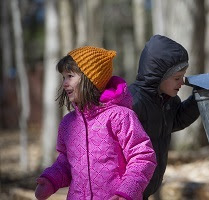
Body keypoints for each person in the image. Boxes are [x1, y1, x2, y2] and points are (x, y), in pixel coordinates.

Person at [35, 46, 156, 200]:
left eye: (70, 76)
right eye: (63, 77)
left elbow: (143, 157)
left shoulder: (120, 116)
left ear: (90, 79)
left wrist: (127, 191)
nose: (65, 83)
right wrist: (51, 180)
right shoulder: (68, 123)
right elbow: (66, 162)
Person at [128, 35, 200, 199]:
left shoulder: (168, 101)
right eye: (177, 78)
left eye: (183, 76)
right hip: (125, 189)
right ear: (158, 76)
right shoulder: (133, 102)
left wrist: (198, 99)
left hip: (145, 187)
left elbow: (177, 120)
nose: (182, 82)